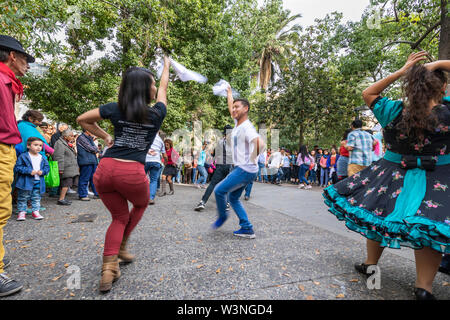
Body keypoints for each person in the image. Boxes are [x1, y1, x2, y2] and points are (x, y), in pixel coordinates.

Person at [323, 52, 450, 300]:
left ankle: (371, 263)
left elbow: (368, 93)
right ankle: (423, 287)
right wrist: (436, 65)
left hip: (392, 177)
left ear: (409, 87)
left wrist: (402, 71)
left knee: (378, 216)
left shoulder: (392, 110)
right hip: (438, 179)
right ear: (443, 86)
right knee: (427, 227)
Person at [77, 57, 170, 293]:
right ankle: (121, 248)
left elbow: (82, 120)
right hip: (132, 171)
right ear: (143, 89)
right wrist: (167, 66)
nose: (153, 87)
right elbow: (163, 89)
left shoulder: (114, 108)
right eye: (150, 83)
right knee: (140, 205)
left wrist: (105, 137)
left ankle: (109, 268)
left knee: (118, 217)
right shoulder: (156, 113)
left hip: (105, 170)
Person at [0, 34, 35, 296]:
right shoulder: (1, 80)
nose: (27, 64)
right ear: (12, 56)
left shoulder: (8, 81)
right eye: (25, 58)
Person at [212, 86, 265, 239]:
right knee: (233, 198)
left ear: (246, 109)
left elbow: (260, 144)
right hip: (247, 170)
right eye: (233, 107)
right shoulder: (238, 124)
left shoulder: (246, 127)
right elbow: (231, 108)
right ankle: (247, 228)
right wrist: (229, 93)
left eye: (237, 107)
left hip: (244, 169)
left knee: (219, 190)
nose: (234, 110)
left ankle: (222, 217)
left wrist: (252, 158)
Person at [194, 125, 233, 211]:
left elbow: (214, 155)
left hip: (220, 166)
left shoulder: (220, 142)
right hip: (229, 166)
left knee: (212, 184)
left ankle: (202, 202)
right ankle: (226, 203)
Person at [14, 137, 50, 221]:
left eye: (40, 145)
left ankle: (35, 211)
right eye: (36, 145)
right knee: (23, 196)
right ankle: (22, 212)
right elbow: (17, 167)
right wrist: (29, 171)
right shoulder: (23, 156)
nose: (38, 147)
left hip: (38, 181)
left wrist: (43, 171)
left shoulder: (42, 157)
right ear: (28, 146)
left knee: (36, 197)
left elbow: (47, 168)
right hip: (25, 181)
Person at [53, 129, 79, 205]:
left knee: (67, 184)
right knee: (65, 184)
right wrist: (60, 168)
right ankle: (61, 199)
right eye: (71, 136)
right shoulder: (59, 143)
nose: (73, 137)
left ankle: (63, 198)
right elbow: (58, 157)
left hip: (69, 167)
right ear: (65, 136)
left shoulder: (66, 143)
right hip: (65, 167)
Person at [76, 130, 99, 201]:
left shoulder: (89, 138)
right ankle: (82, 195)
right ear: (87, 130)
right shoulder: (81, 138)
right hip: (86, 161)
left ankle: (96, 193)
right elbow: (92, 149)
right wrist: (95, 149)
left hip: (92, 161)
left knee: (94, 179)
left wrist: (95, 148)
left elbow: (96, 149)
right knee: (84, 178)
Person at [145, 132, 166, 205]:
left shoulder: (147, 136)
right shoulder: (161, 141)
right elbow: (164, 155)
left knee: (141, 178)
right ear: (159, 133)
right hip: (156, 161)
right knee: (153, 180)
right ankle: (151, 198)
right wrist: (166, 162)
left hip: (145, 160)